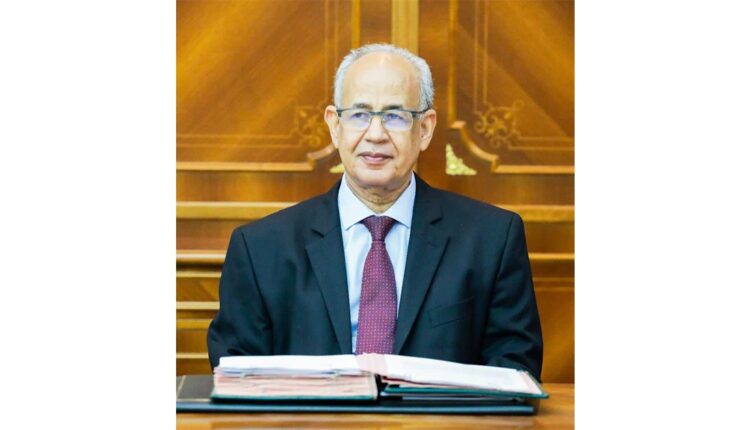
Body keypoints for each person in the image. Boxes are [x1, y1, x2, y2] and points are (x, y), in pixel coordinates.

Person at [207, 44, 543, 380]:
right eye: (359, 115)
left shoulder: (491, 240)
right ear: (334, 125)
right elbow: (238, 375)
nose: (376, 134)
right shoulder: (260, 248)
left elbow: (514, 372)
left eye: (395, 116)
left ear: (425, 129)